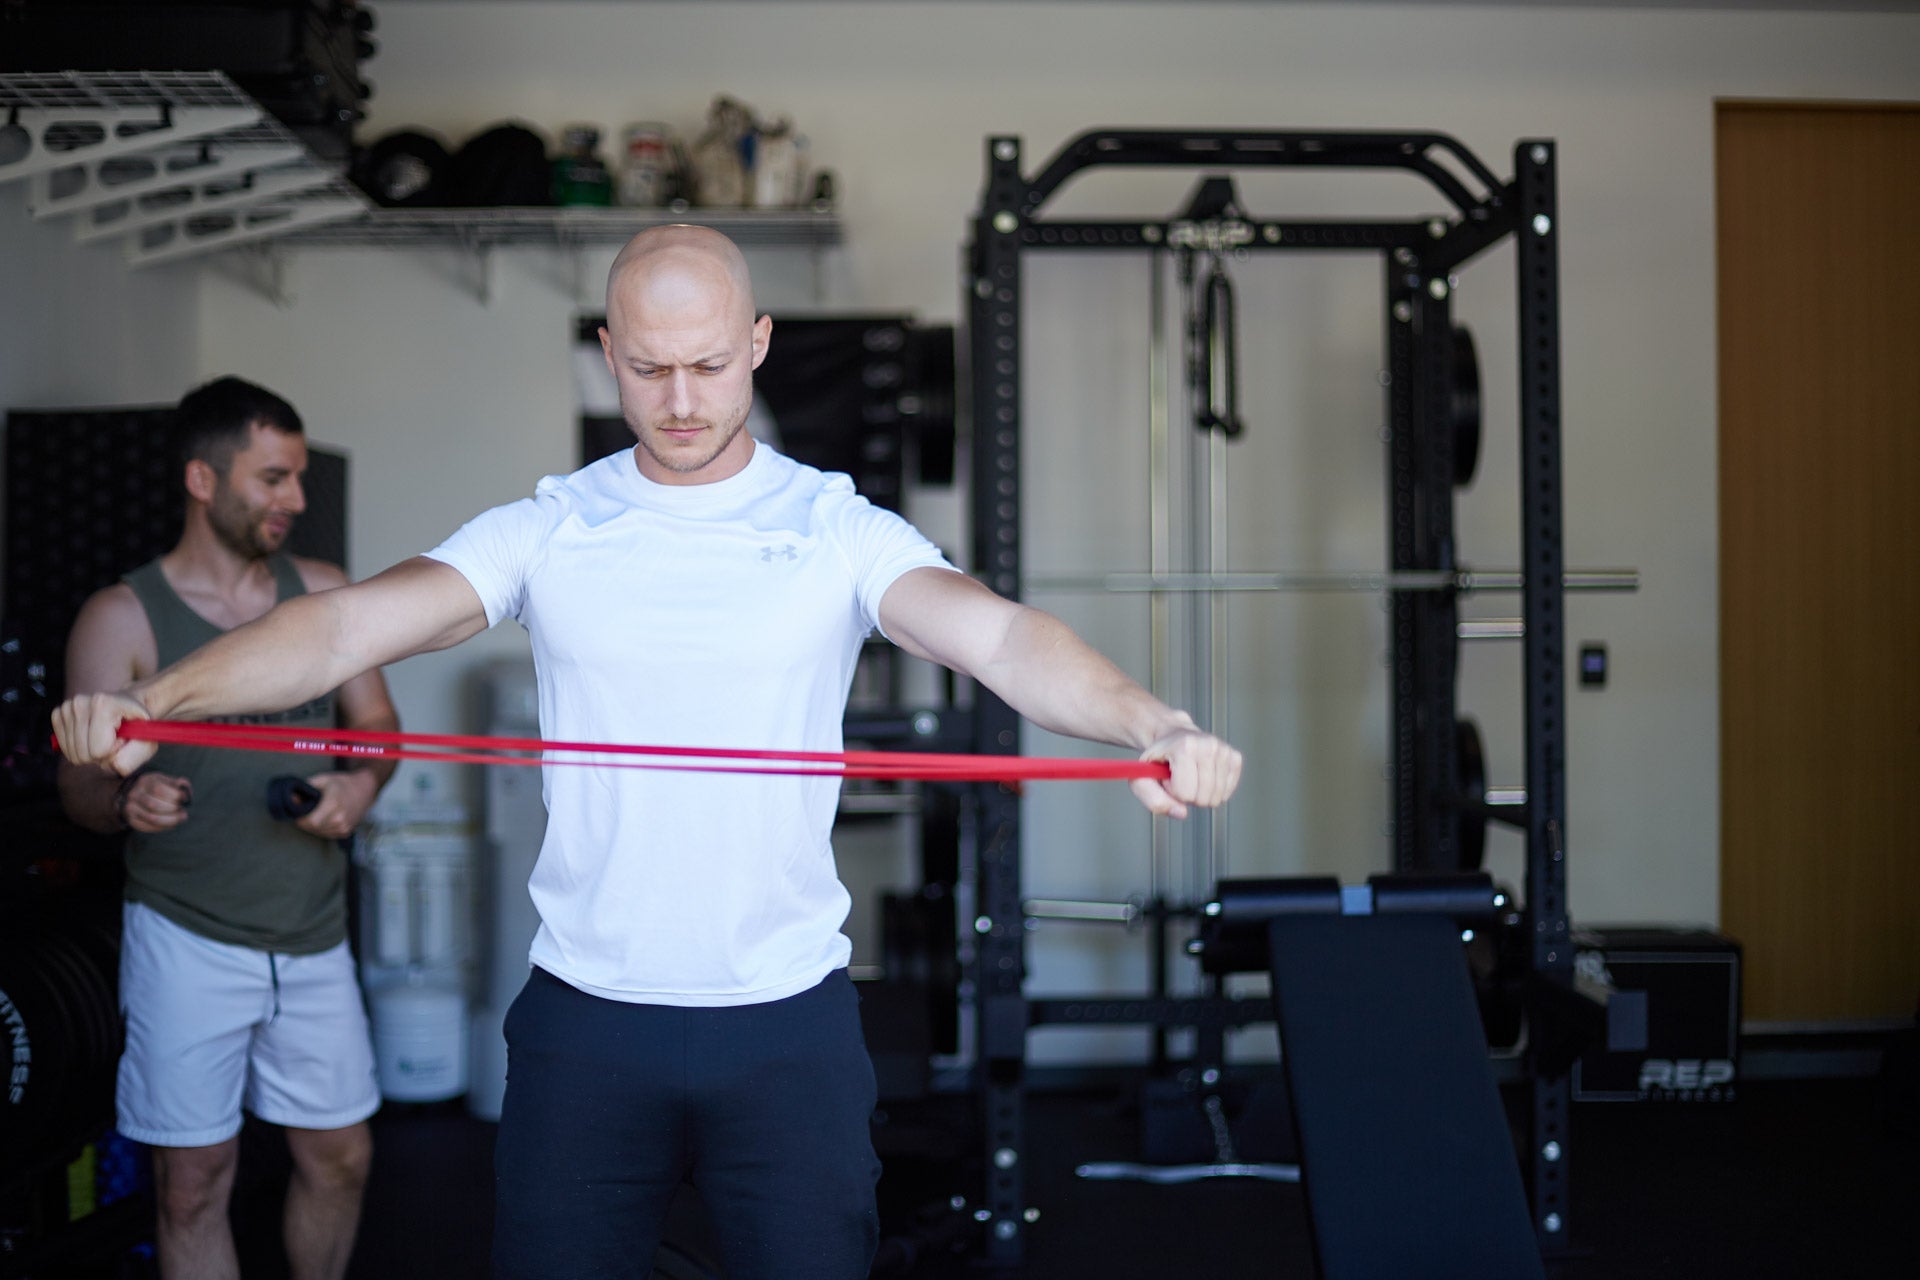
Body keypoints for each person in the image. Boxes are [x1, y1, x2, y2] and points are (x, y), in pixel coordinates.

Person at [53, 226, 1243, 1280]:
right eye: (649, 366)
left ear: (760, 341)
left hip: (785, 1021)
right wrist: (153, 698)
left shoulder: (834, 527)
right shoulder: (551, 526)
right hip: (588, 1020)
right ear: (608, 351)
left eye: (711, 364)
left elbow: (1002, 636)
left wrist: (1154, 722)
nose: (681, 398)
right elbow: (342, 624)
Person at [56, 377, 400, 1280]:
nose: (296, 498)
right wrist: (121, 802)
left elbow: (379, 731)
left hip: (313, 932)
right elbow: (77, 788)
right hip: (186, 936)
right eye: (274, 478)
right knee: (193, 1182)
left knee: (342, 1159)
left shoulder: (322, 594)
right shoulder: (121, 617)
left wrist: (359, 787)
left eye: (296, 479)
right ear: (203, 480)